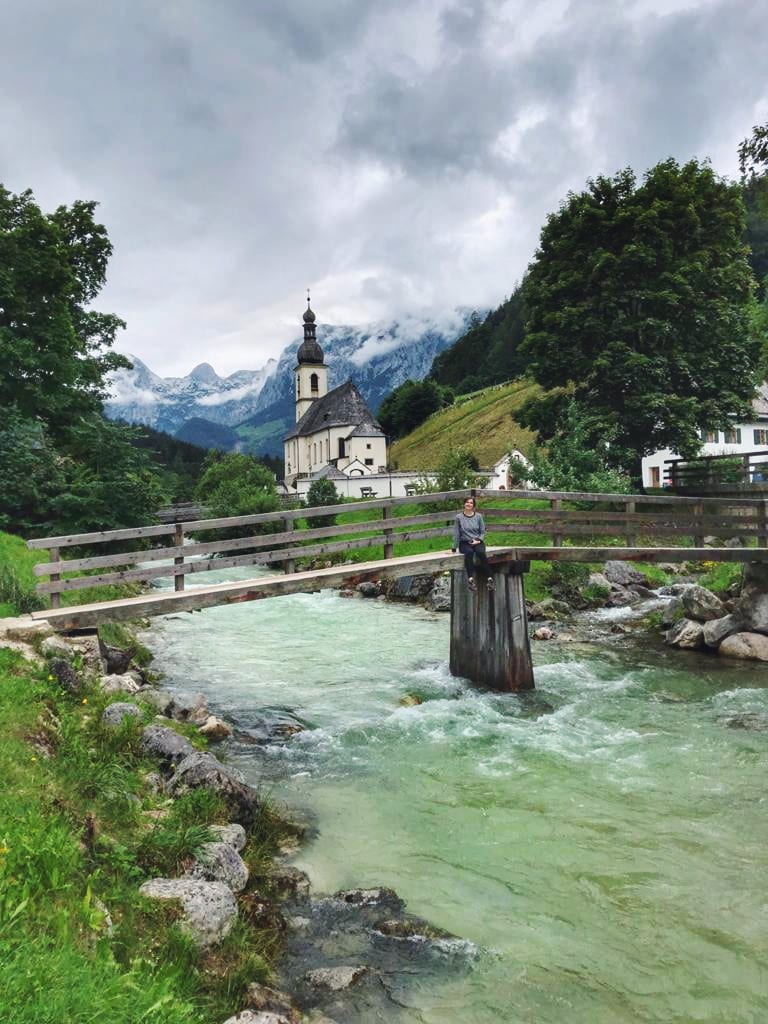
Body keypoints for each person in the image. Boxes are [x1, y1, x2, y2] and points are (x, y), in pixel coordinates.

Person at [451, 496, 494, 592]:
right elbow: (456, 533)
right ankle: (470, 579)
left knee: (481, 553)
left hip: (477, 541)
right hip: (465, 542)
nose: (469, 504)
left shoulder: (478, 516)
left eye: (471, 503)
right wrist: (454, 547)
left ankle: (490, 579)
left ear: (473, 505)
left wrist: (479, 540)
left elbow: (482, 531)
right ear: (464, 504)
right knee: (469, 553)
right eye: (467, 502)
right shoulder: (458, 517)